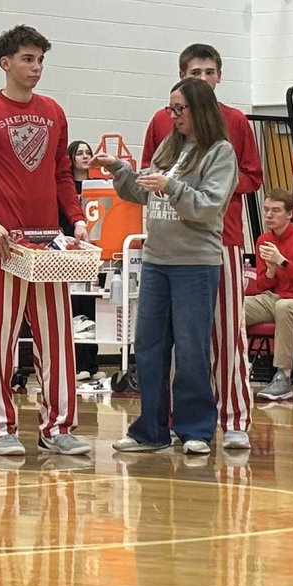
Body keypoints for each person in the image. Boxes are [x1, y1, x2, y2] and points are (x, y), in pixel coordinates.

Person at [0, 25, 91, 457]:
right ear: (6, 63)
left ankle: (58, 426)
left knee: (58, 337)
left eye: (40, 60)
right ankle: (1, 426)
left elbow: (60, 174)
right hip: (0, 243)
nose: (35, 68)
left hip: (47, 243)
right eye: (28, 59)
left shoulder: (54, 111)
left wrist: (76, 220)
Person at [98, 77, 236, 454]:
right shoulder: (169, 147)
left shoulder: (219, 152)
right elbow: (142, 191)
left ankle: (196, 429)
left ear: (200, 109)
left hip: (195, 262)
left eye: (180, 109)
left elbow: (209, 205)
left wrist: (171, 186)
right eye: (169, 109)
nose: (172, 116)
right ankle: (150, 429)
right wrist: (120, 171)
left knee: (191, 348)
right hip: (157, 259)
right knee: (149, 345)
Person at [140, 44, 263, 451]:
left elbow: (252, 177)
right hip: (165, 245)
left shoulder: (235, 123)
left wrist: (210, 186)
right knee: (162, 341)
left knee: (224, 335)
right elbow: (149, 178)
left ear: (219, 77)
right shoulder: (164, 124)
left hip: (218, 241)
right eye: (195, 73)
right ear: (181, 76)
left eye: (210, 72)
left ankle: (234, 418)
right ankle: (160, 425)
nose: (203, 79)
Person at [243, 189, 293, 401]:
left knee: (284, 307)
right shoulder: (263, 240)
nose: (269, 215)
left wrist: (282, 262)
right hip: (274, 297)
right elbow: (263, 284)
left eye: (276, 210)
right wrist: (271, 270)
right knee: (233, 307)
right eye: (266, 210)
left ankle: (284, 376)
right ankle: (227, 367)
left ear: (289, 214)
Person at [62, 140, 100, 382]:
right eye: (80, 153)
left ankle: (91, 363)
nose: (85, 157)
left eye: (88, 153)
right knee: (74, 306)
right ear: (71, 158)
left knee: (91, 305)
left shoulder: (99, 185)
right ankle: (75, 362)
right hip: (70, 251)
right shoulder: (64, 186)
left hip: (95, 249)